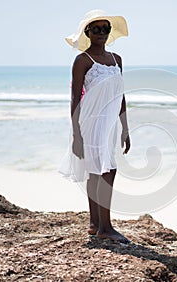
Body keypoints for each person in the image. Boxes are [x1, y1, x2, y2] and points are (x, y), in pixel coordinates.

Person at [59, 10, 130, 244]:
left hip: (110, 123)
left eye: (106, 28)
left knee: (99, 169)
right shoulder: (82, 61)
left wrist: (125, 128)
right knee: (106, 170)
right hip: (92, 121)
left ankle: (95, 223)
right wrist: (76, 134)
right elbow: (75, 99)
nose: (102, 33)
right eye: (96, 29)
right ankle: (106, 227)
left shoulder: (117, 59)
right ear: (87, 32)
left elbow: (120, 95)